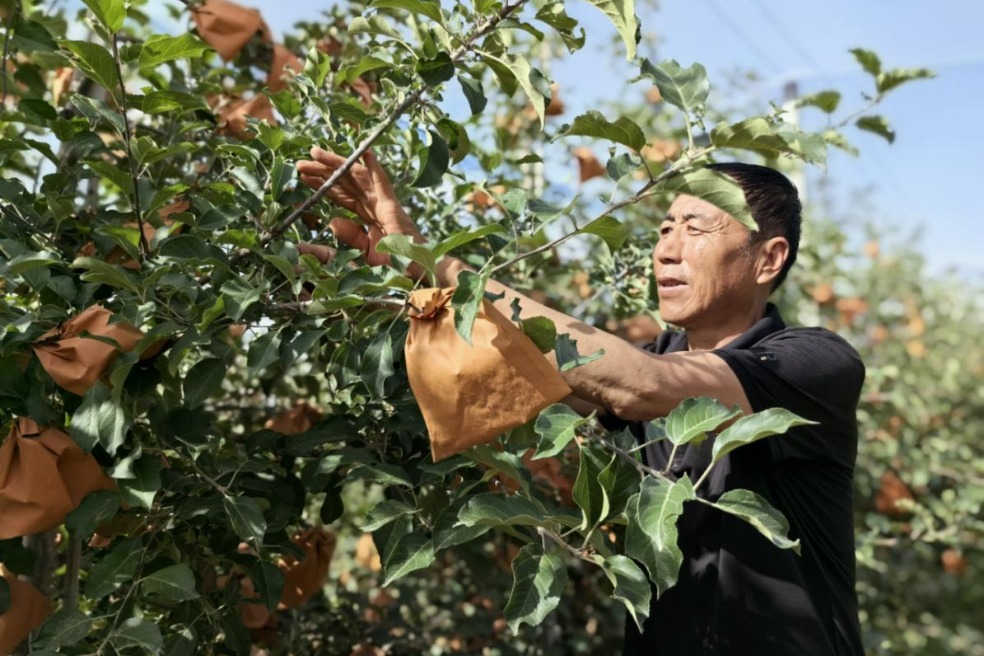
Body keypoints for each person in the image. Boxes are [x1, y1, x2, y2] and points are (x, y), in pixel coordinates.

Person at [295, 148, 865, 655]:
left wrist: (436, 263)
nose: (667, 249)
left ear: (767, 259)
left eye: (696, 229)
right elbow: (508, 379)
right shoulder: (645, 358)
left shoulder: (813, 363)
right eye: (665, 228)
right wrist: (378, 294)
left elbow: (644, 385)